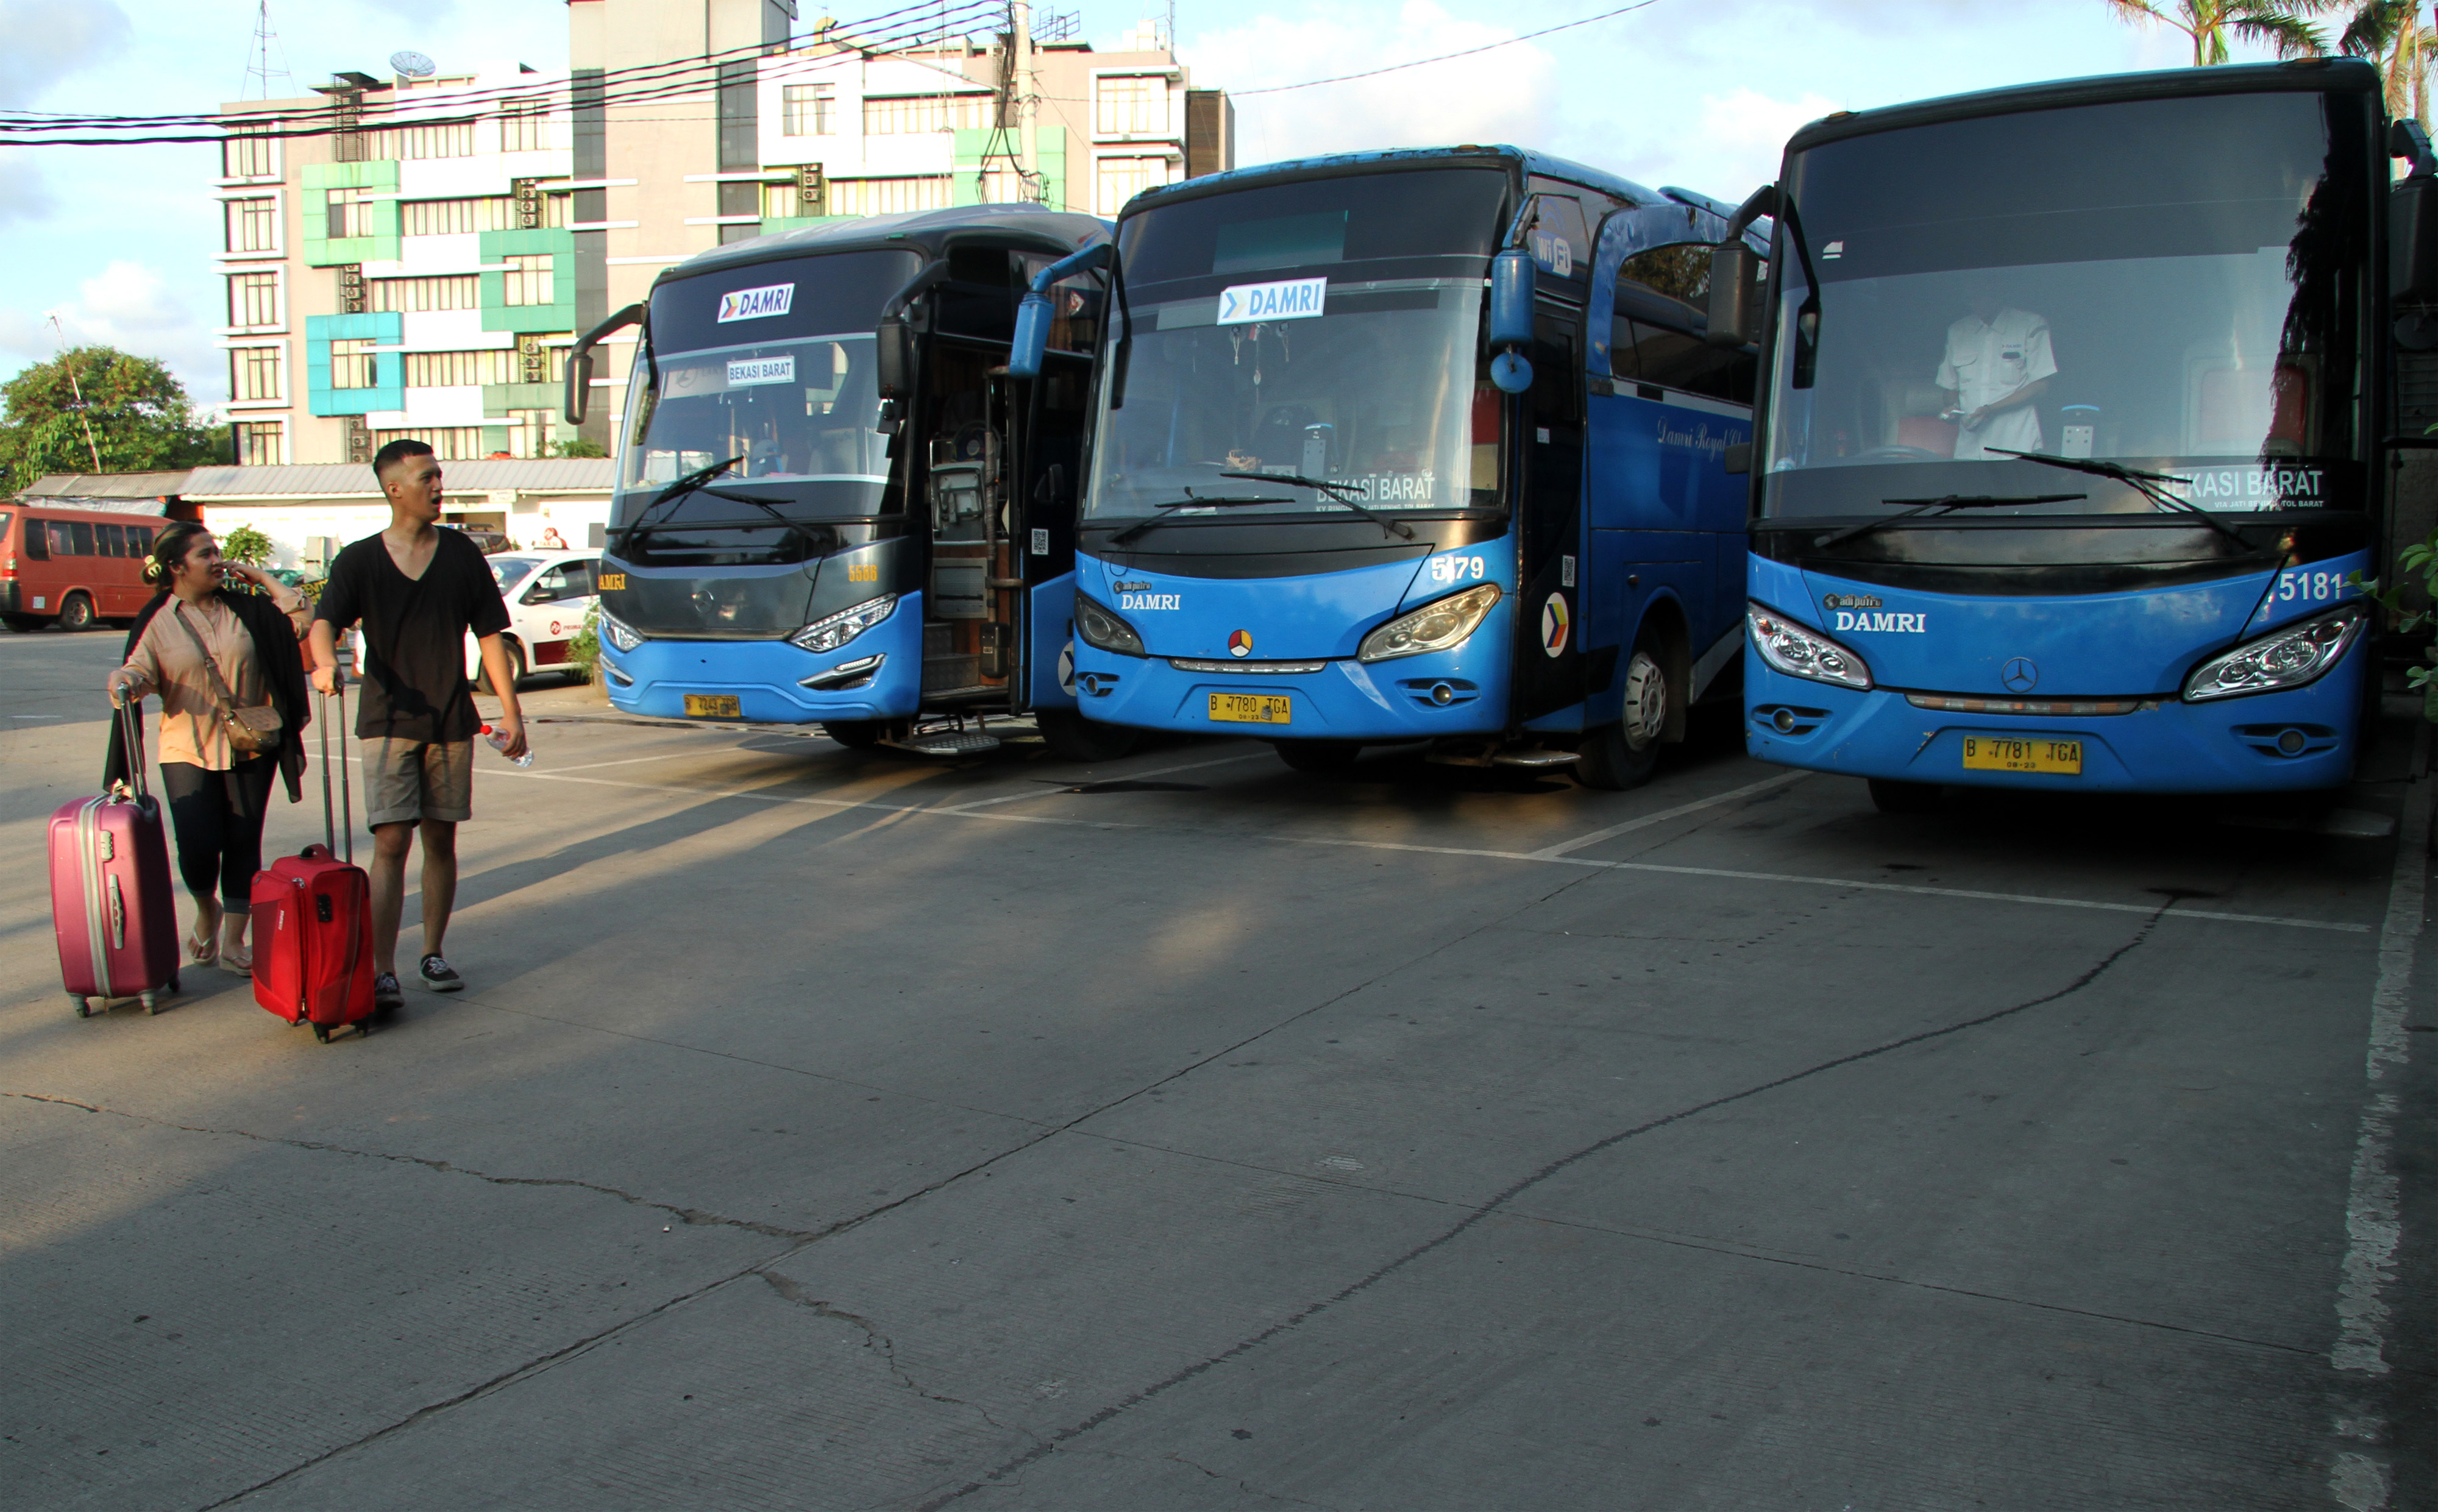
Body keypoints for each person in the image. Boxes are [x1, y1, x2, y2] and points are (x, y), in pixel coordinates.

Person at [309, 440, 528, 1012]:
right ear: (394, 489)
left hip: (451, 720)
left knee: (440, 838)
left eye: (438, 475)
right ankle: (382, 969)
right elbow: (324, 621)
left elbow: (489, 635)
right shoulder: (359, 560)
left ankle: (432, 952)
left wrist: (510, 712)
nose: (438, 485)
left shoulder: (460, 553)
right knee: (390, 841)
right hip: (387, 720)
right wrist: (326, 663)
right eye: (426, 477)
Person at [102, 524, 312, 971]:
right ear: (177, 567)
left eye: (217, 552)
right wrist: (125, 680)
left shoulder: (246, 609)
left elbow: (301, 617)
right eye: (205, 554)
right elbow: (138, 669)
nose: (217, 560)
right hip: (187, 746)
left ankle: (235, 940)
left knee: (243, 840)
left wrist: (259, 576)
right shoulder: (158, 619)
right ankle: (206, 907)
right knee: (197, 845)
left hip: (252, 742)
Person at [1936, 289, 2057, 460]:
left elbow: (2041, 387)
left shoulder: (2030, 324)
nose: (1976, 301)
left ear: (1997, 291)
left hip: (2017, 446)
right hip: (1969, 449)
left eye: (1982, 293)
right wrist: (1953, 407)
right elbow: (1950, 387)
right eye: (1972, 296)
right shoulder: (1958, 331)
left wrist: (1991, 410)